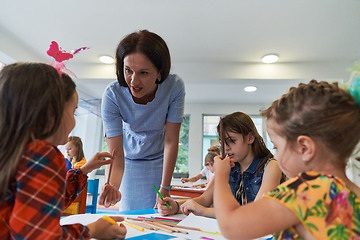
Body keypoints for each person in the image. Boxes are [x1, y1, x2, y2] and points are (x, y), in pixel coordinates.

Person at [213, 80, 360, 240]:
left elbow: (232, 227)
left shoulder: (307, 189)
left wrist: (220, 175)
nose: (275, 156)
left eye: (277, 147)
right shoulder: (354, 193)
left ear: (305, 148)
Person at [0, 63, 126, 239]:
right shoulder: (42, 155)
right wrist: (92, 231)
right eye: (73, 112)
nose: (74, 123)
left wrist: (83, 170)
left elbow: (45, 202)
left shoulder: (12, 153)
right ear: (52, 113)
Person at [99, 29, 185, 211]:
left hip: (160, 159)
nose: (133, 81)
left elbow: (171, 141)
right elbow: (116, 152)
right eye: (128, 70)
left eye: (144, 73)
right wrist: (113, 186)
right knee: (132, 218)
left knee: (162, 214)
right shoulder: (112, 94)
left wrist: (165, 187)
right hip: (128, 161)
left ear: (159, 73)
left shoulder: (174, 87)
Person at [158, 112, 283, 218]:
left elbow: (256, 212)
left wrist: (204, 211)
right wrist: (176, 206)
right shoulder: (228, 166)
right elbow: (204, 199)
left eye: (232, 141)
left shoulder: (271, 166)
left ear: (250, 138)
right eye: (223, 142)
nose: (226, 148)